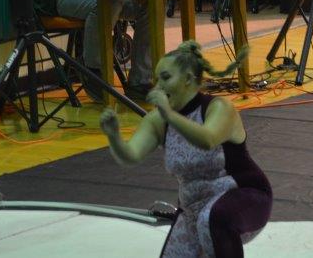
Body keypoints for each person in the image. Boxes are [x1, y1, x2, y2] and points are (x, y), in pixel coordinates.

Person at [99, 42, 272, 257]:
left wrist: (170, 115)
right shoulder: (158, 119)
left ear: (188, 79)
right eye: (157, 79)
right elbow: (131, 156)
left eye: (165, 78)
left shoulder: (218, 107)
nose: (158, 86)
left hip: (245, 197)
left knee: (212, 219)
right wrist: (114, 136)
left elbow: (208, 139)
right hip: (193, 208)